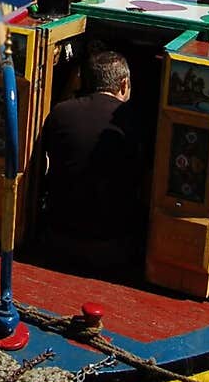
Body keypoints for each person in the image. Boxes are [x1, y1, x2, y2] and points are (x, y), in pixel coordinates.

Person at [39, 48, 145, 273]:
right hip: (110, 247)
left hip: (57, 237)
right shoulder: (136, 122)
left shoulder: (60, 112)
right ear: (124, 84)